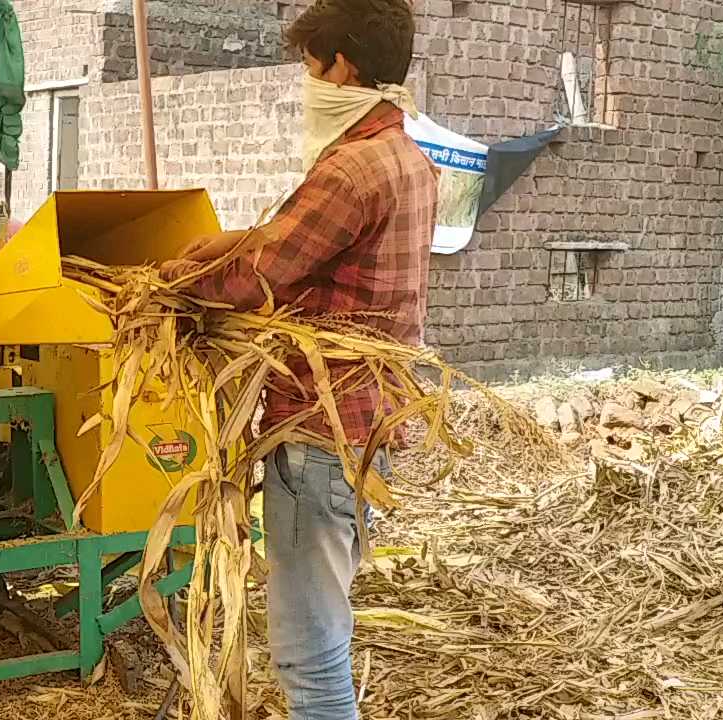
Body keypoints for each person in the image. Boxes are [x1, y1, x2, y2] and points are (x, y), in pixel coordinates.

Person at [158, 1, 436, 718]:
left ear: (341, 66)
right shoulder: (407, 157)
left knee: (308, 651)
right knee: (325, 625)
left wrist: (165, 285)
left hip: (318, 429)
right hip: (368, 424)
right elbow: (297, 242)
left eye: (311, 64)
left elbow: (257, 280)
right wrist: (225, 242)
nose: (307, 80)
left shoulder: (349, 170)